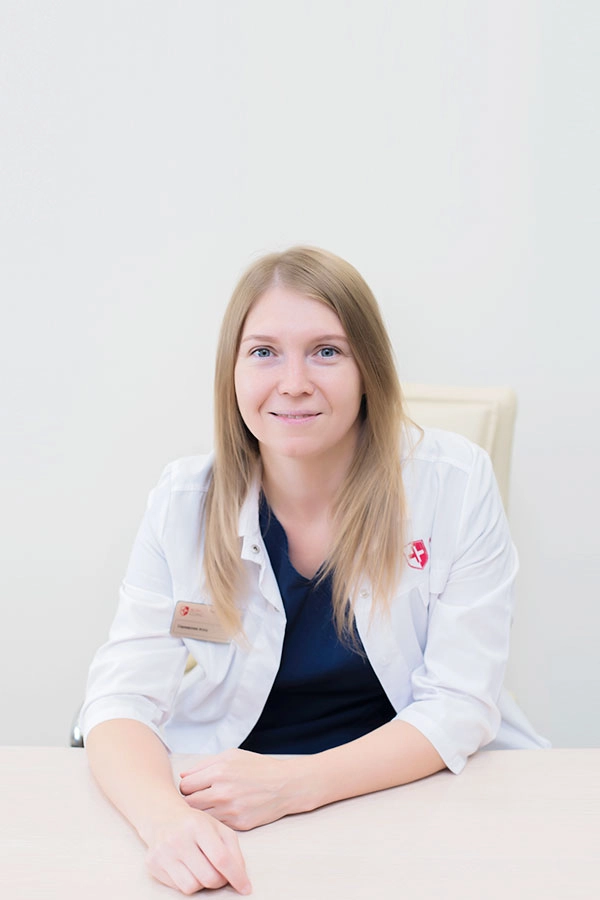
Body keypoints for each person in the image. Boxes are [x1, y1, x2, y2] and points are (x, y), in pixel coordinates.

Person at [82, 246, 548, 895]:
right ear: (232, 373)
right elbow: (121, 699)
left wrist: (297, 783)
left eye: (326, 351)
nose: (294, 381)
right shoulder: (184, 502)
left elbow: (460, 702)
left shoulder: (454, 482)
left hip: (412, 794)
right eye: (264, 352)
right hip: (235, 810)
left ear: (368, 370)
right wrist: (166, 823)